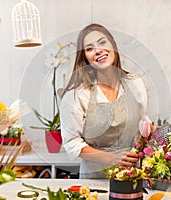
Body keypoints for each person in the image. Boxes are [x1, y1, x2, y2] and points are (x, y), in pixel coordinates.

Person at [60, 23, 155, 179]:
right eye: (89, 48)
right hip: (94, 177)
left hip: (132, 174)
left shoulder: (134, 83)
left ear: (113, 46)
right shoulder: (76, 95)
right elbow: (72, 143)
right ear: (85, 57)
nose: (98, 50)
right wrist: (112, 158)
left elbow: (143, 123)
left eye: (102, 42)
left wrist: (160, 134)